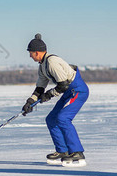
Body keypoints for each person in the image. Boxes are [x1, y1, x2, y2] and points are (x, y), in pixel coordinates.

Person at [22, 34, 89, 167]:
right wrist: (30, 102)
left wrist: (49, 95)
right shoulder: (42, 65)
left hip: (77, 91)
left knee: (63, 118)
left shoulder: (52, 62)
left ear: (37, 52)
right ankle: (62, 151)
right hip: (68, 92)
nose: (30, 56)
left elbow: (63, 85)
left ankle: (77, 152)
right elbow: (40, 88)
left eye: (30, 53)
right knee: (51, 119)